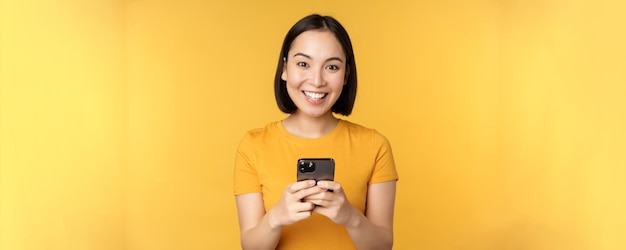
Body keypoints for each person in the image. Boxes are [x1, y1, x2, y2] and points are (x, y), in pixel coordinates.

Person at [233, 14, 399, 250]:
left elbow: (383, 246)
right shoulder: (253, 145)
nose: (317, 80)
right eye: (303, 64)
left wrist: (350, 217)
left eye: (331, 67)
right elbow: (251, 247)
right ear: (284, 69)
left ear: (346, 75)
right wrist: (276, 217)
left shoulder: (375, 145)